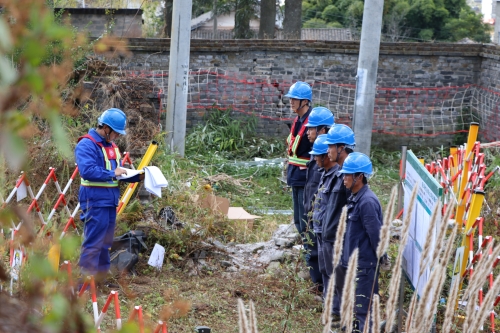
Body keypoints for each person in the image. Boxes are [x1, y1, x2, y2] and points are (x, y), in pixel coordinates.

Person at [75, 108, 144, 282]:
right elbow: (88, 171)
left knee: (105, 244)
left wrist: (136, 176)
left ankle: (100, 280)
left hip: (109, 201)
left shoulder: (112, 146)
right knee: (93, 243)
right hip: (94, 200)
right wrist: (113, 172)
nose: (118, 137)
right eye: (116, 133)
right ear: (106, 128)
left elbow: (117, 173)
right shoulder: (86, 144)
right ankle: (84, 284)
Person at [339, 152, 382, 332]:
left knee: (365, 311)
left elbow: (376, 236)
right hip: (354, 264)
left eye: (348, 174)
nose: (344, 178)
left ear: (360, 177)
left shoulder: (367, 202)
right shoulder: (355, 197)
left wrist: (381, 259)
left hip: (365, 266)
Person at [319, 124, 355, 326]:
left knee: (341, 280)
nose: (328, 150)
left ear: (341, 147)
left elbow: (353, 210)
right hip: (328, 236)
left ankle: (343, 317)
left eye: (331, 146)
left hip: (339, 239)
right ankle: (334, 314)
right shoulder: (336, 174)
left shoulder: (349, 176)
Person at [303, 107, 334, 294]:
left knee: (319, 251)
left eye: (311, 129)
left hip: (321, 220)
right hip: (313, 215)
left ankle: (321, 286)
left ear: (323, 130)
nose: (308, 133)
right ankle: (318, 283)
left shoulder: (327, 163)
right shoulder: (317, 157)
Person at [284, 81, 313, 242]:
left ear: (305, 101)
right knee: (298, 217)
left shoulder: (312, 123)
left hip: (306, 178)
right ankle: (306, 247)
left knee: (305, 218)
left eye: (295, 98)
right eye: (291, 98)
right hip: (295, 176)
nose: (291, 101)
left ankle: (311, 250)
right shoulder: (298, 120)